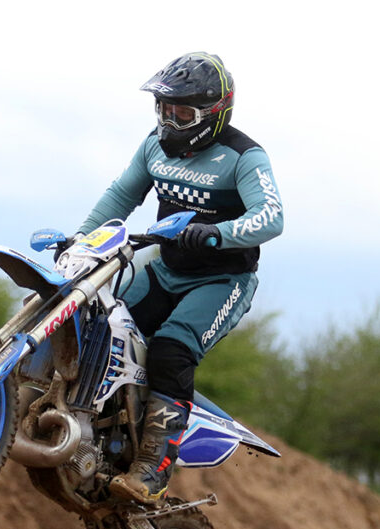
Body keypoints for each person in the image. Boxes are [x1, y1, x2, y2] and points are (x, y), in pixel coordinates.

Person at [74, 52, 284, 504]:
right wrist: (80, 241)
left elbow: (271, 216)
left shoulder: (244, 156)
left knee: (170, 350)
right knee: (99, 326)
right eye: (164, 110)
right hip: (166, 269)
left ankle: (154, 468)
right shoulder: (154, 145)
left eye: (183, 114)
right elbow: (121, 195)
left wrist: (218, 233)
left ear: (214, 113)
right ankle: (97, 433)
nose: (170, 122)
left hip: (222, 281)